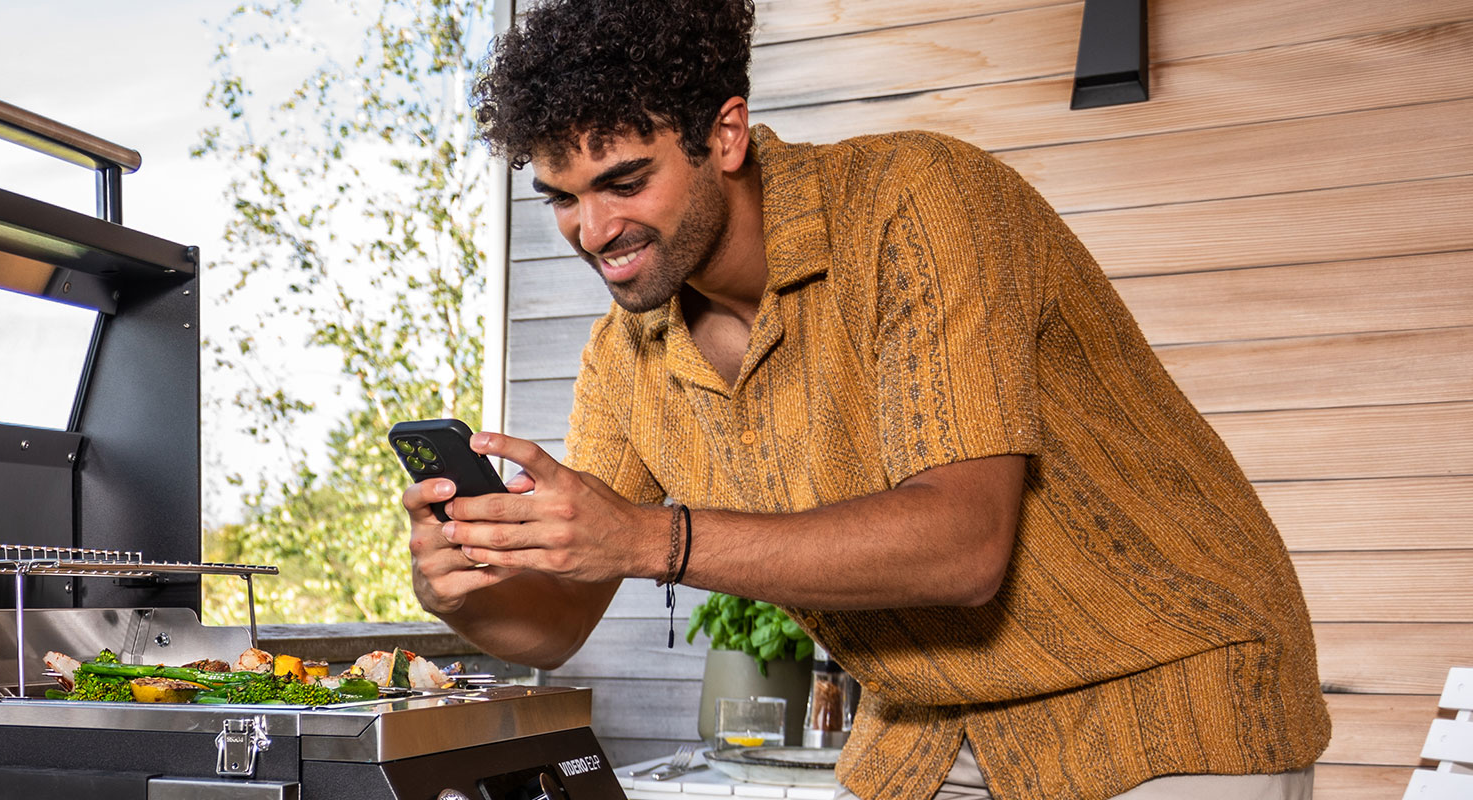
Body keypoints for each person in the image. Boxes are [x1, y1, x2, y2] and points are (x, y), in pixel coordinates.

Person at [404, 1, 1329, 798]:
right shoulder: (625, 357)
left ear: (725, 135)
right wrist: (462, 588)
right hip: (930, 726)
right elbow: (557, 623)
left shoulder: (918, 203)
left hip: (1169, 693)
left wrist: (653, 538)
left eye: (624, 181)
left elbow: (964, 546)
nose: (594, 229)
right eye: (562, 197)